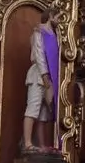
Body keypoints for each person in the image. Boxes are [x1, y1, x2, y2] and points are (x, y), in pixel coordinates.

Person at [22, 9, 58, 154]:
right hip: (38, 75)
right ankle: (27, 143)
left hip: (50, 76)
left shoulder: (54, 35)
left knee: (43, 114)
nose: (60, 20)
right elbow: (39, 54)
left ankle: (42, 144)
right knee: (33, 108)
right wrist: (44, 75)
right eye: (58, 17)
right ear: (50, 16)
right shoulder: (39, 32)